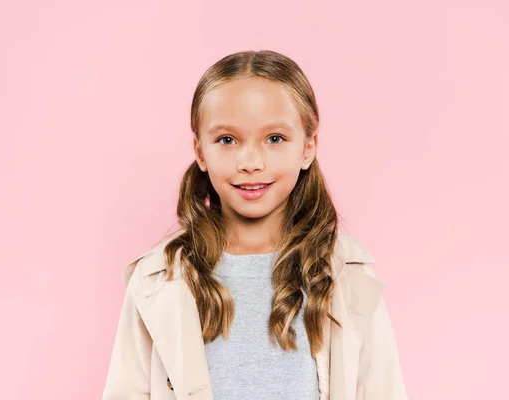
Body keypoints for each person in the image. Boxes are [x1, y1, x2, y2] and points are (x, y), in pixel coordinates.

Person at [102, 50, 408, 400]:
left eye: (275, 138)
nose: (250, 162)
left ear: (308, 148)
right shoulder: (157, 279)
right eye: (227, 140)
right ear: (200, 151)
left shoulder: (347, 274)